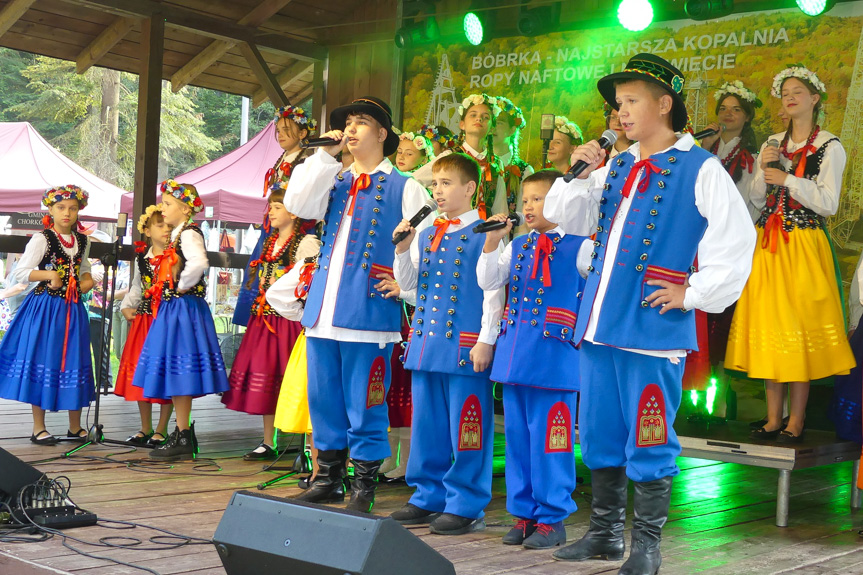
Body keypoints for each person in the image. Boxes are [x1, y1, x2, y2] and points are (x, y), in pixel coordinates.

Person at [545, 54, 756, 573]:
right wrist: (579, 171)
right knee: (598, 433)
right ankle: (604, 535)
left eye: (631, 101)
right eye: (618, 104)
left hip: (651, 326)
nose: (621, 112)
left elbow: (737, 240)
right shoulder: (615, 164)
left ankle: (647, 547)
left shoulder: (699, 167)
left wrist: (693, 293)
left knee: (649, 435)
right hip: (599, 323)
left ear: (665, 104)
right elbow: (560, 216)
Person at [281, 96, 434, 513]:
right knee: (324, 400)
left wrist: (404, 288)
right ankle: (327, 479)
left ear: (383, 134)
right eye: (347, 122)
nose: (350, 129)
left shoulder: (407, 187)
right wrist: (322, 156)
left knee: (365, 403)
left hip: (368, 316)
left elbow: (425, 252)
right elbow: (297, 205)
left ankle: (363, 488)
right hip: (324, 312)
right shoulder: (334, 178)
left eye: (361, 122)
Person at [725, 65, 856, 444]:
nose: (790, 96)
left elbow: (828, 203)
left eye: (798, 90)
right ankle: (771, 418)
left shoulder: (830, 146)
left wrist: (787, 178)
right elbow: (756, 199)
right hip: (769, 243)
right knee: (772, 326)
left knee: (797, 329)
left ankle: (795, 420)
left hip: (803, 242)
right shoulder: (772, 141)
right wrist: (764, 170)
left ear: (815, 99)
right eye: (785, 92)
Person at [388, 152, 503, 535]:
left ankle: (467, 504)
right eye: (435, 184)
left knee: (468, 426)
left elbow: (494, 293)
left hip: (466, 346)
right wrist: (401, 249)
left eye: (447, 183)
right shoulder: (427, 231)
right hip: (426, 343)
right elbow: (408, 287)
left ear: (469, 188)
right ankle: (427, 496)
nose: (438, 191)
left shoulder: (485, 232)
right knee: (427, 426)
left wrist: (487, 339)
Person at [477, 169, 588, 549]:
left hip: (555, 359)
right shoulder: (518, 245)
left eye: (538, 199)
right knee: (519, 440)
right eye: (525, 200)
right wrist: (492, 241)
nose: (529, 206)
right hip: (515, 357)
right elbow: (489, 281)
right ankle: (524, 514)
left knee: (552, 440)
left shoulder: (581, 246)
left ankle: (553, 517)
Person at [132, 180, 229, 461]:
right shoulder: (178, 234)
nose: (163, 208)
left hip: (182, 306)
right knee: (175, 369)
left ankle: (183, 433)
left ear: (185, 209)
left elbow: (198, 262)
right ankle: (182, 431)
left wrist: (182, 285)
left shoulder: (188, 233)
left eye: (168, 204)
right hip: (175, 307)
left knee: (179, 368)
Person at [221, 189, 319, 460]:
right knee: (267, 377)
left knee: (299, 380)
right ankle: (269, 440)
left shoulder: (307, 243)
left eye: (278, 206)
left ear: (295, 211)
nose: (271, 212)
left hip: (289, 322)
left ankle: (310, 445)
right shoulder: (270, 242)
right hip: (264, 321)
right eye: (271, 207)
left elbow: (311, 281)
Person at [0, 185, 96, 444]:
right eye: (61, 208)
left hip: (73, 309)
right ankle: (38, 426)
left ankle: (75, 427)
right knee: (43, 359)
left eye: (73, 208)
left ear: (79, 211)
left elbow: (84, 267)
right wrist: (48, 274)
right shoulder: (42, 238)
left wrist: (88, 279)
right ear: (51, 209)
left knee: (74, 360)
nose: (67, 213)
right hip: (46, 309)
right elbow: (20, 272)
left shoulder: (83, 241)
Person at [233, 105, 316, 327]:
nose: (280, 135)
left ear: (302, 133)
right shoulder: (282, 159)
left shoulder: (307, 161)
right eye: (278, 130)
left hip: (298, 226)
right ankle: (256, 315)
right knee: (259, 267)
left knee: (288, 272)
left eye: (286, 129)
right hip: (274, 226)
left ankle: (285, 319)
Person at [114, 205, 174, 446]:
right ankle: (145, 427)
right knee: (142, 370)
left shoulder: (176, 255)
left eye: (168, 225)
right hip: (146, 320)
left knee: (165, 372)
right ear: (147, 231)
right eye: (159, 225)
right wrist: (127, 306)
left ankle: (162, 428)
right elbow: (137, 286)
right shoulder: (143, 258)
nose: (165, 230)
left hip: (167, 320)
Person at [699, 81, 761, 222]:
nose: (728, 114)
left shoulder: (751, 158)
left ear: (747, 117)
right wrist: (705, 147)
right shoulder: (705, 147)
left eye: (736, 110)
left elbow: (745, 201)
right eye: (723, 109)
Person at [493, 96, 534, 212]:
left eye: (499, 123)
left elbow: (524, 215)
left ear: (512, 130)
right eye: (491, 122)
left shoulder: (524, 171)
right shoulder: (478, 163)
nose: (493, 127)